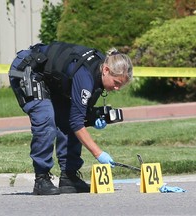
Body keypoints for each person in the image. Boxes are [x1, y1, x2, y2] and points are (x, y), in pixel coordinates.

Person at [8, 41, 133, 195]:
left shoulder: (98, 73)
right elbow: (76, 122)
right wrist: (98, 153)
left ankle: (69, 177)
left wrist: (94, 117)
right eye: (116, 83)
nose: (117, 88)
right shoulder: (86, 75)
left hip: (51, 79)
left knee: (69, 119)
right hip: (30, 69)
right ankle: (41, 179)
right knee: (45, 118)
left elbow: (78, 113)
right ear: (106, 70)